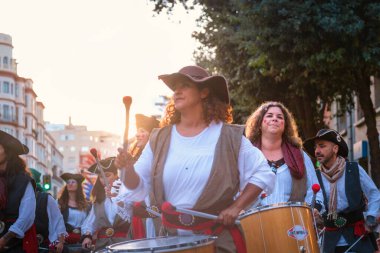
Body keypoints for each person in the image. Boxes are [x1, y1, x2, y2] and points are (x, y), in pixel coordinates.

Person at [116, 65, 275, 253]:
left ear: (204, 92)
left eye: (184, 85)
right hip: (171, 243)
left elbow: (263, 173)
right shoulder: (159, 138)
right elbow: (138, 186)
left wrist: (236, 207)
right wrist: (127, 169)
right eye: (175, 87)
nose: (177, 91)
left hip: (217, 241)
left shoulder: (229, 137)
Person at [304, 129, 380, 253]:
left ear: (335, 148)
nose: (317, 151)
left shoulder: (354, 169)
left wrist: (371, 217)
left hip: (359, 236)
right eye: (315, 147)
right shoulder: (315, 175)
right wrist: (315, 211)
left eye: (322, 146)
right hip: (330, 240)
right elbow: (311, 200)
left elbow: (374, 194)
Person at [245, 101, 324, 212]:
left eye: (280, 117)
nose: (275, 119)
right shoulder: (246, 155)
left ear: (285, 125)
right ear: (259, 123)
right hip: (255, 225)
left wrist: (314, 209)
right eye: (269, 115)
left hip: (294, 225)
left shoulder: (300, 156)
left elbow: (315, 191)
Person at [81, 157, 131, 251]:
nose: (103, 179)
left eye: (107, 175)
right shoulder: (98, 201)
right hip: (103, 246)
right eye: (100, 177)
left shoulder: (127, 195)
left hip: (125, 245)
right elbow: (90, 223)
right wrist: (87, 236)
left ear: (116, 175)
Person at [0, 130, 37, 253]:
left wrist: (5, 239)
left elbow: (27, 216)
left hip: (14, 243)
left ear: (8, 152)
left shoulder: (23, 181)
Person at [30, 168, 68, 253]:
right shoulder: (16, 198)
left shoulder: (46, 198)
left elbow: (58, 220)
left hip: (43, 244)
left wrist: (60, 242)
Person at [57, 173, 90, 251]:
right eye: (68, 182)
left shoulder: (87, 205)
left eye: (73, 182)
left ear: (78, 185)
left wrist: (88, 237)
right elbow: (56, 223)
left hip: (81, 241)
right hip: (65, 242)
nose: (70, 184)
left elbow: (89, 223)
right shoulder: (59, 203)